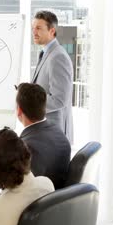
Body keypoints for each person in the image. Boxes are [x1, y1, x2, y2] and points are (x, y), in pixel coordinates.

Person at [0, 83, 70, 207]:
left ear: (19, 110)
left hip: (33, 207)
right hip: (55, 202)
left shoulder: (27, 146)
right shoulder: (57, 132)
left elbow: (16, 185)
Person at [31, 10, 74, 143]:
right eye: (33, 28)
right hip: (46, 132)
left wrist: (30, 103)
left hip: (54, 134)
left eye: (38, 28)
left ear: (52, 31)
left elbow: (60, 99)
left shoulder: (58, 56)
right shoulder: (47, 53)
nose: (34, 32)